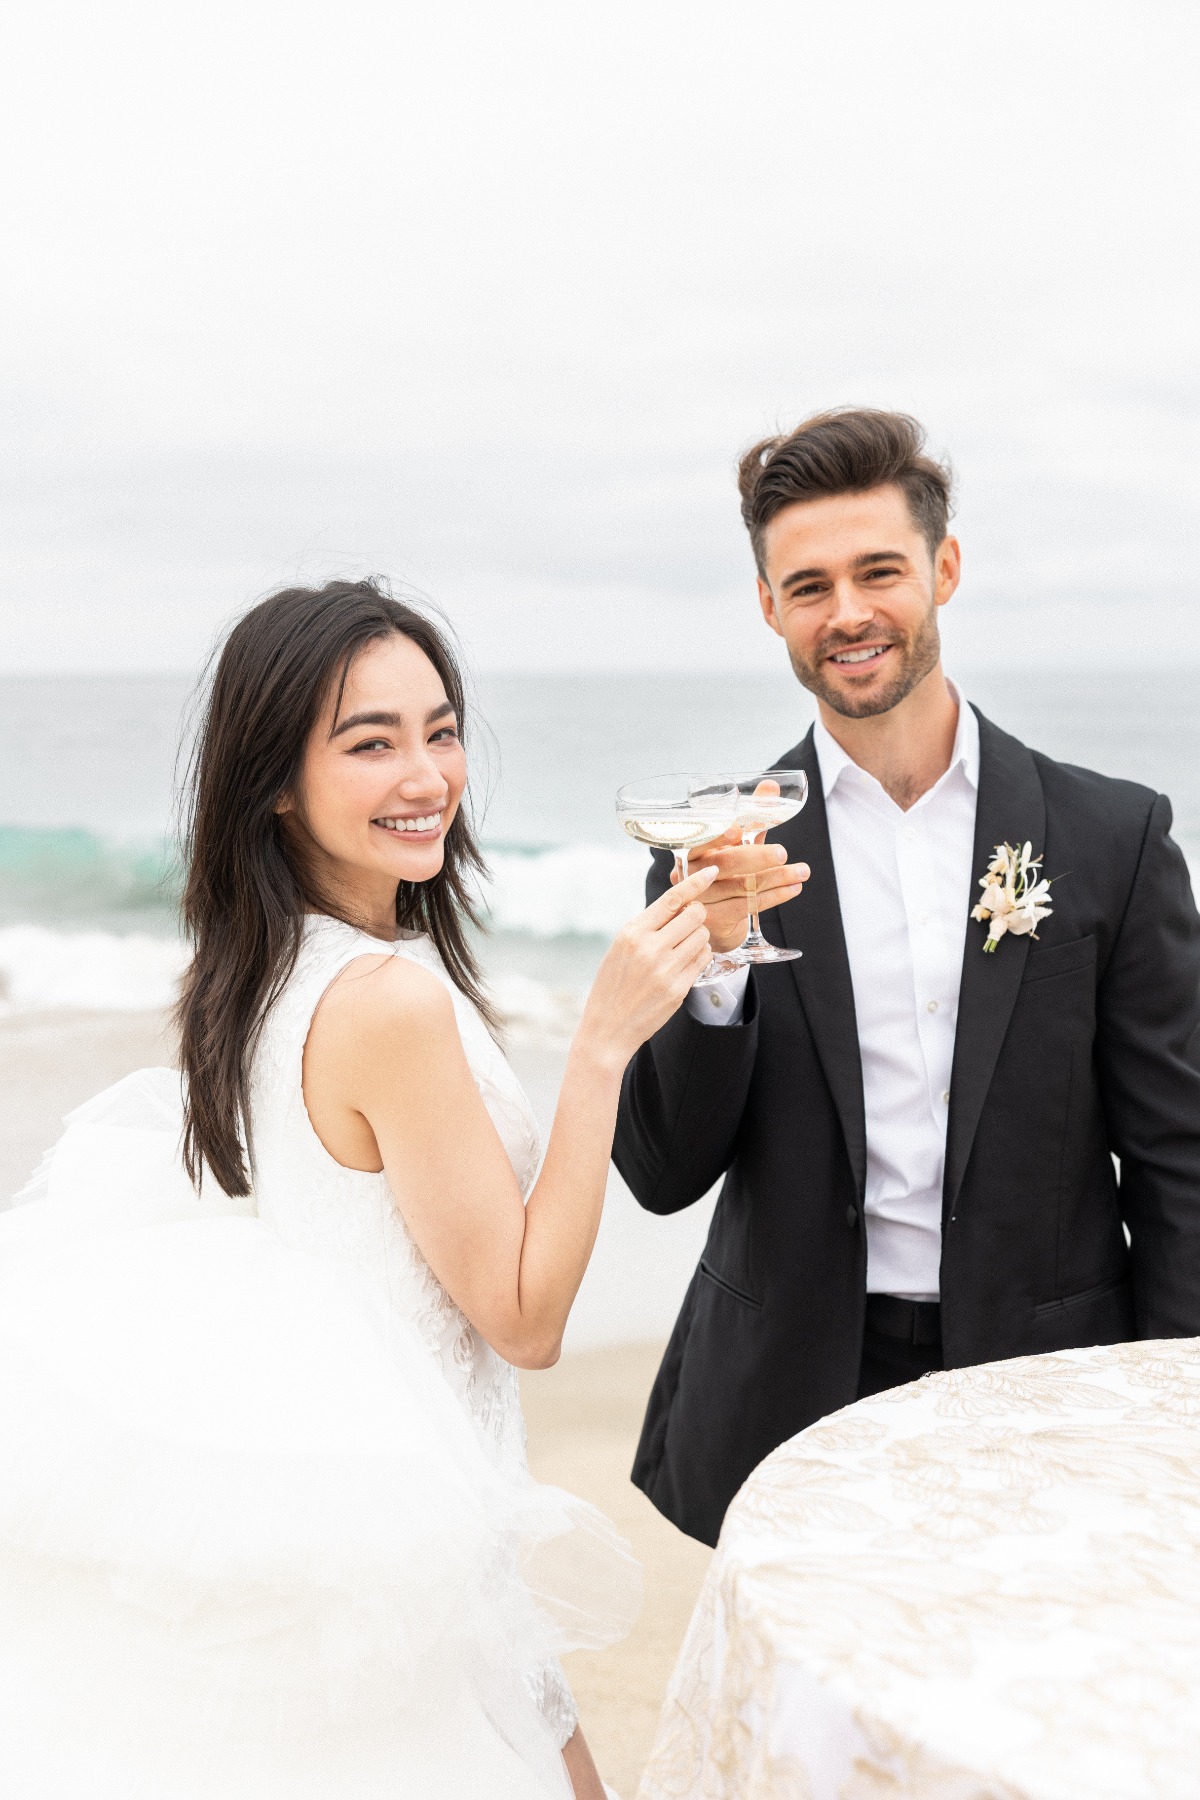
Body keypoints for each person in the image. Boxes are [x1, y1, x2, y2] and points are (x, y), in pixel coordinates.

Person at [0, 579, 718, 1799]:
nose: (427, 774)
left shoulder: (254, 972)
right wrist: (603, 1043)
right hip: (417, 1545)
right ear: (277, 779)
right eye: (370, 742)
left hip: (366, 1529)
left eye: (440, 730)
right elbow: (527, 1317)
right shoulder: (387, 1001)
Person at [613, 407, 1200, 1548]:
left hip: (1054, 1385)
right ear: (769, 607)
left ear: (944, 568)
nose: (848, 614)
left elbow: (1179, 1158)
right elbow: (662, 1168)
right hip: (792, 1384)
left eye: (878, 571)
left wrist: (1175, 1405)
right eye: (809, 585)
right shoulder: (715, 850)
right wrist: (720, 966)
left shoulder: (1112, 837)